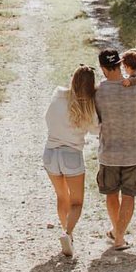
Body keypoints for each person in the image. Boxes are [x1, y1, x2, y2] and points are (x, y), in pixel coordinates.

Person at [95, 46, 136, 251]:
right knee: (129, 195)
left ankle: (117, 233)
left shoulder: (99, 90)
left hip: (109, 151)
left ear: (103, 68)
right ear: (120, 64)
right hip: (134, 150)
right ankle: (119, 237)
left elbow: (96, 119)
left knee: (111, 193)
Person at [43, 66, 98, 257]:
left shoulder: (57, 95)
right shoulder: (88, 106)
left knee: (62, 197)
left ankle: (68, 235)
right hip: (71, 154)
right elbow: (97, 130)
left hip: (50, 153)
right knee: (77, 203)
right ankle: (67, 234)